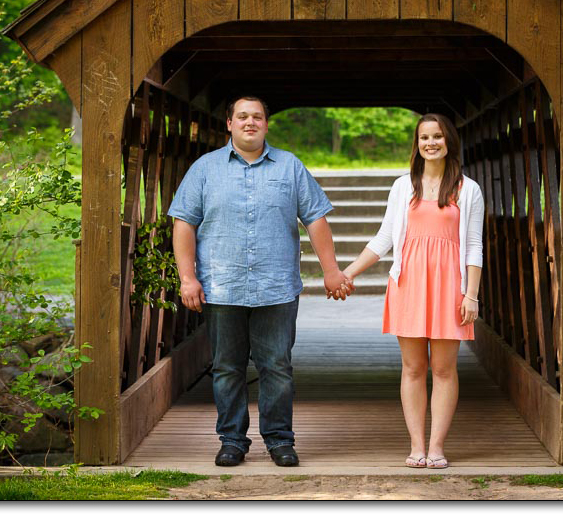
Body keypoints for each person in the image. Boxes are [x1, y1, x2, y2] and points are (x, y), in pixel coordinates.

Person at [168, 95, 354, 467]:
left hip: (277, 287)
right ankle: (233, 440)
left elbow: (315, 218)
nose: (249, 122)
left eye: (256, 117)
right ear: (229, 124)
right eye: (242, 116)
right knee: (226, 367)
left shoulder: (290, 167)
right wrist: (187, 278)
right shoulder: (204, 169)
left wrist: (331, 271)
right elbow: (183, 222)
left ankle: (279, 440)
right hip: (223, 286)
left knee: (277, 367)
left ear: (267, 124)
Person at [341, 113, 484, 469]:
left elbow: (474, 247)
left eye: (437, 136)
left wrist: (472, 295)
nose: (431, 143)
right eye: (424, 137)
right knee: (413, 367)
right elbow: (385, 238)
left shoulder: (469, 189)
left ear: (449, 141)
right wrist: (347, 273)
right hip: (408, 284)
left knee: (445, 369)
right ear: (417, 144)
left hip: (450, 286)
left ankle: (437, 447)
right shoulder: (403, 186)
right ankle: (416, 446)